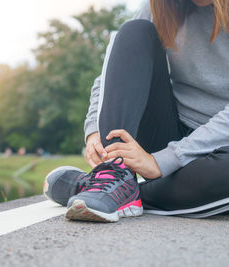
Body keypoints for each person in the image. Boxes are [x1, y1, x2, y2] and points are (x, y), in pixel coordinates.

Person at [44, 0, 229, 222]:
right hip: (167, 131)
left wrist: (163, 161)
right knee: (134, 31)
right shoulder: (161, 6)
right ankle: (115, 173)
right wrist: (94, 128)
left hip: (219, 148)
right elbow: (119, 65)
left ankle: (111, 190)